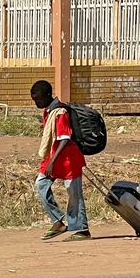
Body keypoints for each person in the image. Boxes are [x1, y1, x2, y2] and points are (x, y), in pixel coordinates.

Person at [31, 80, 91, 241]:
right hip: (54, 157)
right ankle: (58, 221)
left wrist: (51, 162)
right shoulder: (49, 111)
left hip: (68, 158)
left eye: (38, 99)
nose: (36, 102)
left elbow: (65, 138)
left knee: (74, 194)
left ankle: (82, 229)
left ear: (47, 95)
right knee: (41, 184)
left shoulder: (60, 112)